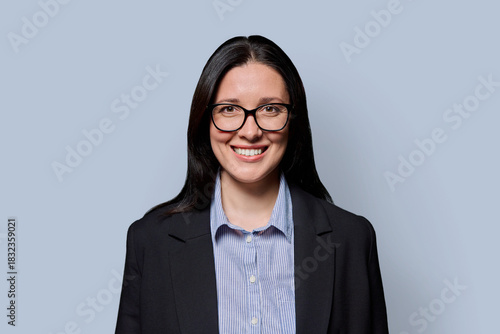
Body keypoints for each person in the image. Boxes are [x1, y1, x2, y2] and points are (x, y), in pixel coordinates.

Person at [115, 35, 389, 334]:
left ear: (292, 119)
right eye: (229, 109)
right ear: (205, 120)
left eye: (270, 109)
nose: (250, 131)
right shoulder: (151, 242)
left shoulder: (351, 239)